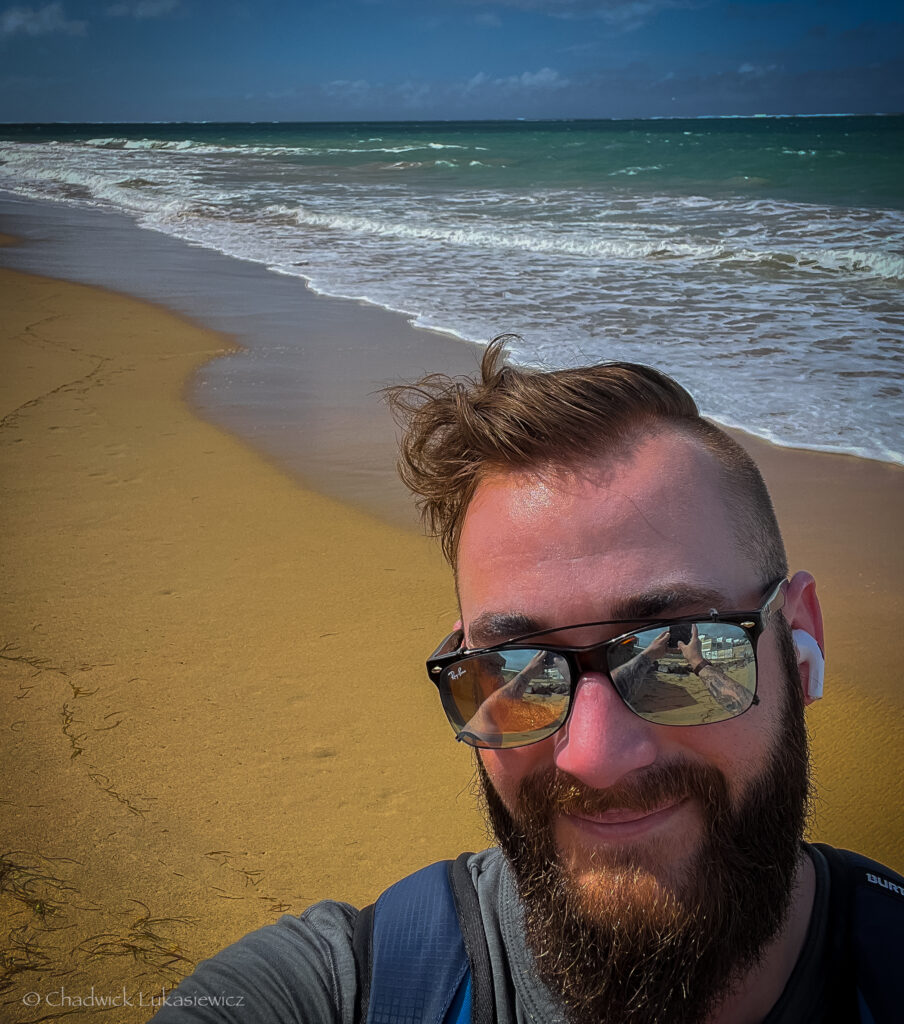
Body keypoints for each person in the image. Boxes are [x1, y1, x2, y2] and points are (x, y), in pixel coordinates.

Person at [152, 338, 903, 1023]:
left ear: (800, 642)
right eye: (522, 671)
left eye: (679, 652)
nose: (594, 757)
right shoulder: (352, 987)